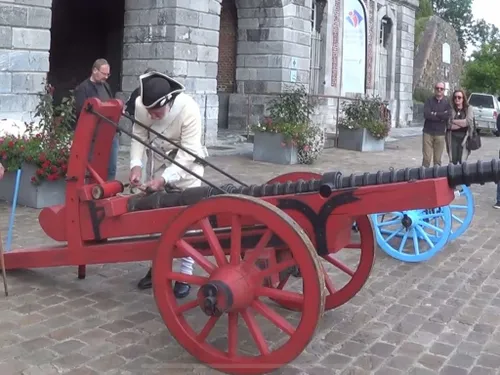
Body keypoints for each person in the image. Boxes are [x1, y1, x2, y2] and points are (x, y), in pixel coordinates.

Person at [129, 71, 207, 298]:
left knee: (188, 221)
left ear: (169, 103)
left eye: (157, 112)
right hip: (158, 165)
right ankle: (158, 267)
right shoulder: (140, 106)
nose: (152, 116)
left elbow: (188, 152)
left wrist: (164, 179)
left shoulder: (189, 109)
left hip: (187, 169)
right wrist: (136, 165)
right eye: (149, 112)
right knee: (158, 219)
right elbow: (139, 134)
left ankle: (185, 273)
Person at [74, 58, 119, 180]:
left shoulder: (106, 86)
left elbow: (110, 102)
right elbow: (81, 112)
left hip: (109, 131)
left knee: (111, 167)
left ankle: (109, 192)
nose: (106, 77)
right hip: (94, 136)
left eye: (108, 74)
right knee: (94, 168)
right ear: (95, 70)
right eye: (104, 74)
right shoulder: (83, 89)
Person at [422, 82, 451, 167]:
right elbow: (427, 115)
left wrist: (434, 113)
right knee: (426, 159)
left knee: (437, 161)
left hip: (440, 134)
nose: (439, 90)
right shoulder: (429, 101)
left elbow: (447, 116)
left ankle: (436, 179)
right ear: (434, 89)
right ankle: (424, 178)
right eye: (437, 88)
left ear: (444, 90)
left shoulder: (447, 103)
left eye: (441, 89)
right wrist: (441, 115)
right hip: (428, 133)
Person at [446, 89, 474, 165]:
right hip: (452, 137)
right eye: (455, 97)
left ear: (463, 98)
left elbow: (468, 122)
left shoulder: (469, 108)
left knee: (462, 161)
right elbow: (448, 125)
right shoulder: (451, 109)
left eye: (459, 97)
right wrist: (462, 123)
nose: (457, 99)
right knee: (453, 160)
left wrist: (454, 121)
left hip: (465, 138)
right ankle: (453, 176)